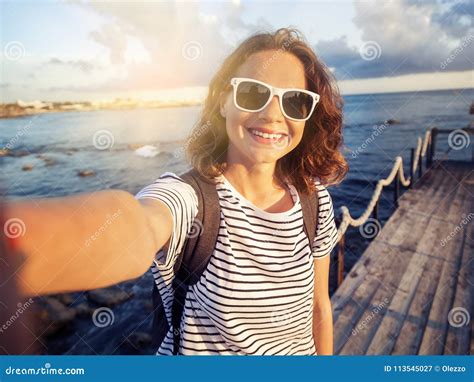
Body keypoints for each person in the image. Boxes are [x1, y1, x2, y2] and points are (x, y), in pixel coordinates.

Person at [4, 28, 348, 355]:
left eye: (295, 101)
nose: (273, 114)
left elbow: (318, 307)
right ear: (223, 102)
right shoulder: (193, 202)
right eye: (253, 93)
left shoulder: (312, 198)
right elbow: (138, 227)